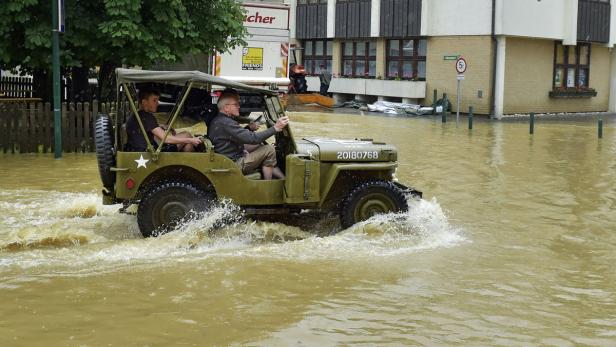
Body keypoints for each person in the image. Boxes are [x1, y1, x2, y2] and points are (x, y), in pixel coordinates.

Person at [207, 93, 288, 180]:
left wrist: (249, 128)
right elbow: (253, 138)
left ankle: (282, 178)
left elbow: (238, 136)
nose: (239, 106)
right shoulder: (226, 123)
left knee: (260, 145)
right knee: (269, 150)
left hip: (227, 158)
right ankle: (268, 185)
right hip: (232, 164)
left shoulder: (220, 120)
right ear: (226, 108)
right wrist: (275, 128)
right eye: (236, 104)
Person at [125, 88, 202, 152]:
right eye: (154, 100)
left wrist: (159, 126)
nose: (157, 103)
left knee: (187, 144)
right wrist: (191, 140)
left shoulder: (138, 115)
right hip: (151, 154)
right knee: (187, 135)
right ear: (144, 102)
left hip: (141, 150)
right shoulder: (147, 117)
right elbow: (166, 139)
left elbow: (145, 128)